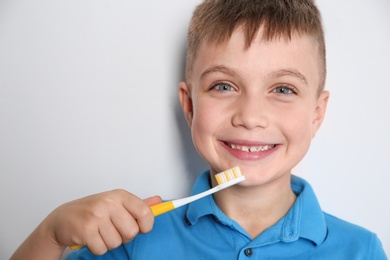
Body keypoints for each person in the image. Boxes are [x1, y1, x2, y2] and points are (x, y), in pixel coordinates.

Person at [11, 0, 387, 259]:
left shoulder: (361, 250)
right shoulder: (133, 241)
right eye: (224, 85)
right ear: (189, 105)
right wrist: (51, 235)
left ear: (317, 113)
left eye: (283, 89)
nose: (251, 116)